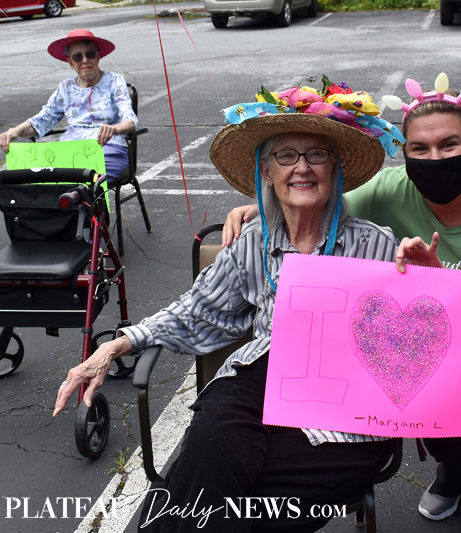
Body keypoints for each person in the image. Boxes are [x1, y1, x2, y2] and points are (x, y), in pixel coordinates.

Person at [53, 79, 431, 532]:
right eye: (286, 156)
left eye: (317, 154)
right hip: (259, 375)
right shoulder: (253, 242)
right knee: (214, 438)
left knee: (206, 495)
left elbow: (416, 344)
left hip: (344, 402)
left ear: (335, 168)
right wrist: (117, 345)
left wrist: (428, 280)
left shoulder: (376, 245)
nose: (302, 167)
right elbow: (197, 309)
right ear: (267, 172)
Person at [223, 72, 461, 526]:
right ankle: (457, 472)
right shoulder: (388, 192)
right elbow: (318, 199)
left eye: (449, 145)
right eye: (419, 149)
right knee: (438, 413)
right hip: (432, 341)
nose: (435, 158)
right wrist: (267, 205)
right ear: (404, 153)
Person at [0, 29, 136, 183]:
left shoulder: (114, 81)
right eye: (77, 57)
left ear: (98, 56)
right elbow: (43, 119)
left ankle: (78, 197)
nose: (85, 60)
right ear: (71, 63)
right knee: (30, 180)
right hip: (69, 151)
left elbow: (130, 120)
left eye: (90, 54)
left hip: (107, 148)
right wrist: (16, 130)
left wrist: (116, 128)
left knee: (83, 182)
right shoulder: (66, 88)